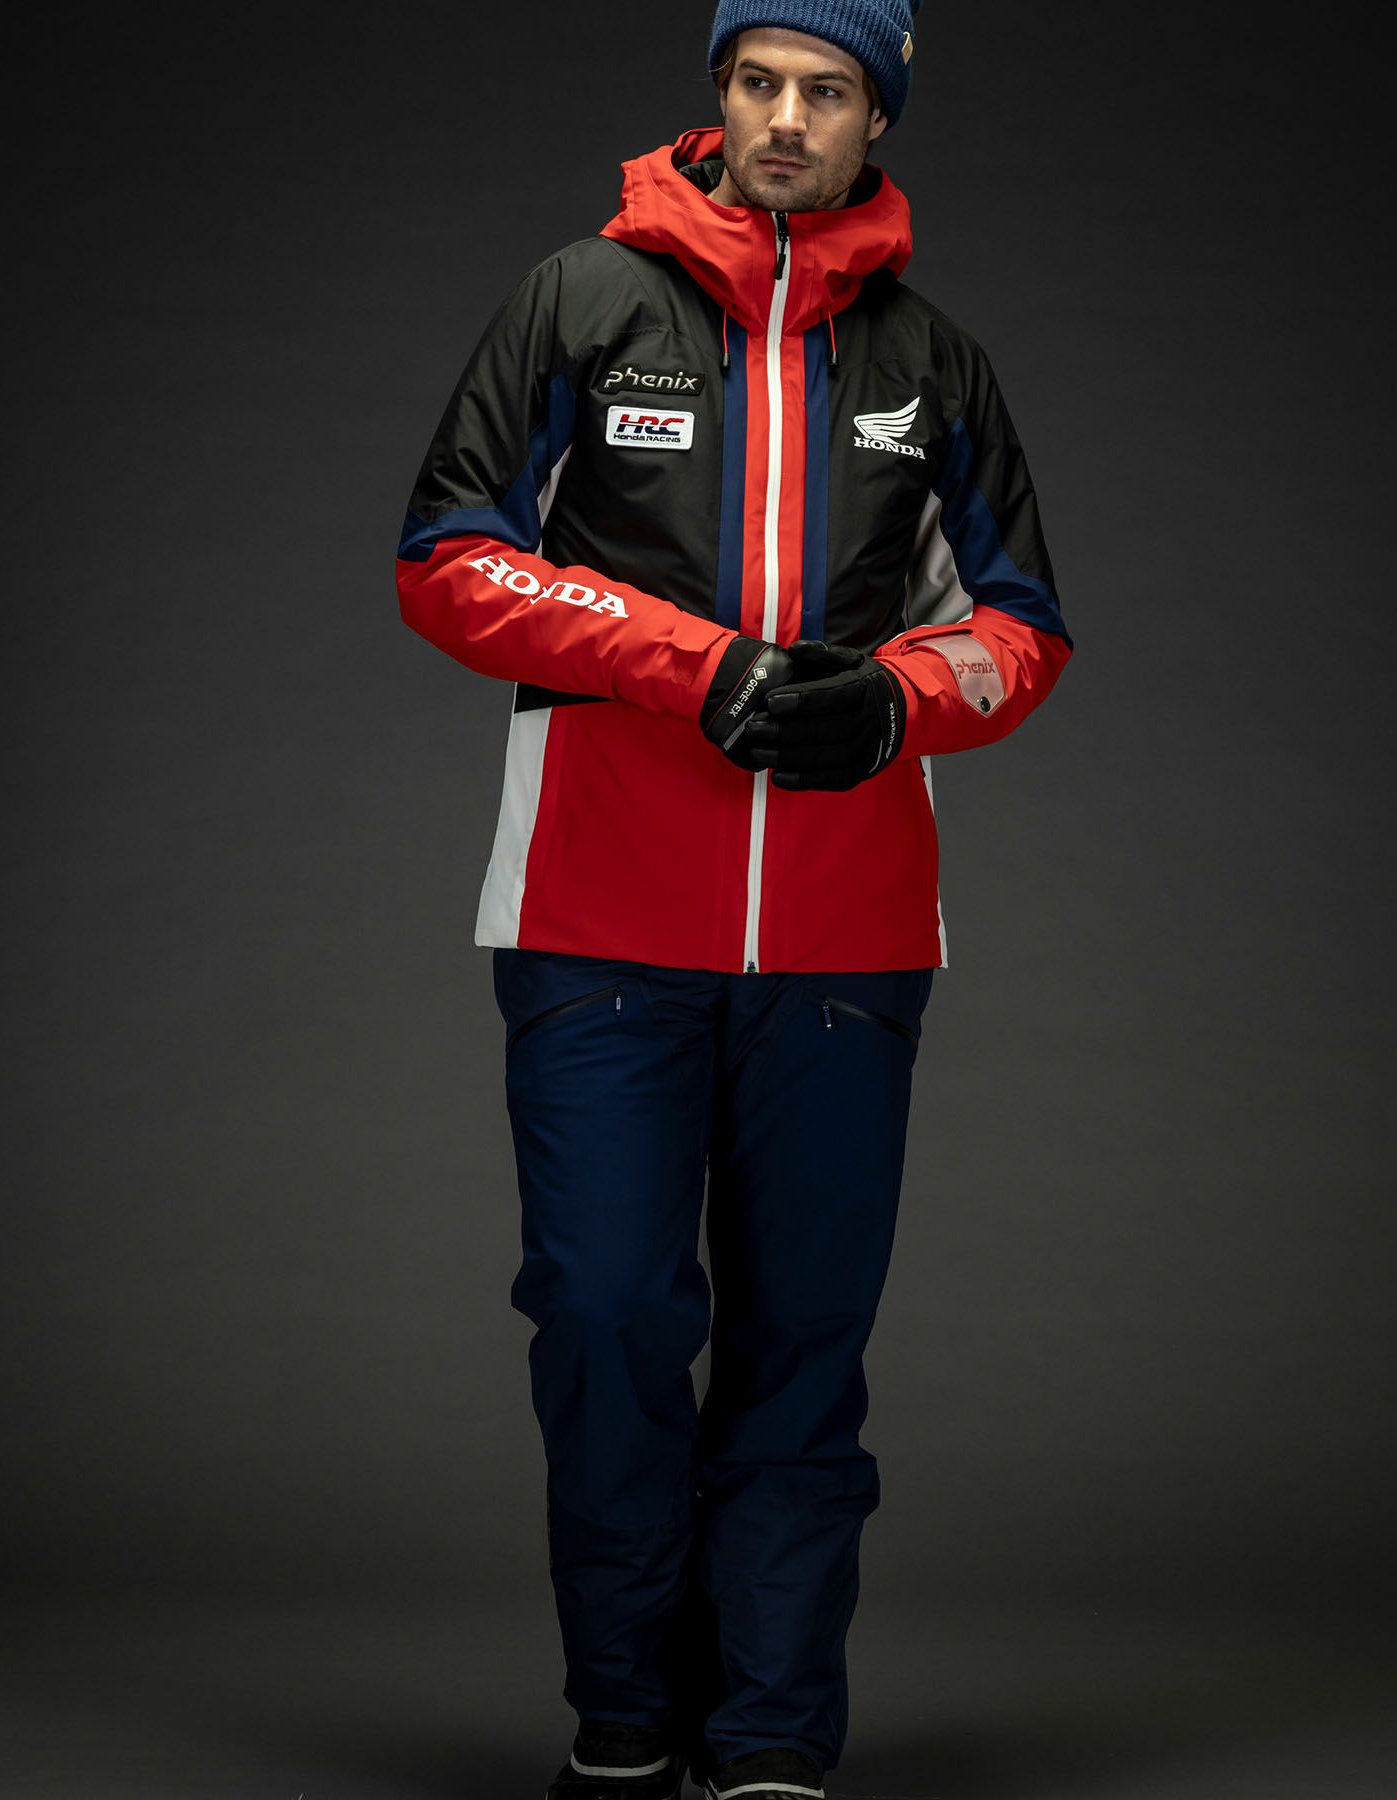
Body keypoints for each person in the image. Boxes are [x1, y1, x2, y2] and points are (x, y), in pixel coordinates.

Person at [394, 3, 1073, 1795]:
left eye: (826, 91)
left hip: (849, 943)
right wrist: (694, 664)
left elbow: (1021, 629)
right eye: (758, 82)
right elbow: (448, 555)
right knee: (605, 1309)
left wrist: (895, 700)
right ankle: (628, 1710)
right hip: (593, 915)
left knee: (801, 1350)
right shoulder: (576, 302)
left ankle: (768, 1734)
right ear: (717, 97)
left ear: (876, 119)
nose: (787, 116)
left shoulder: (936, 361)